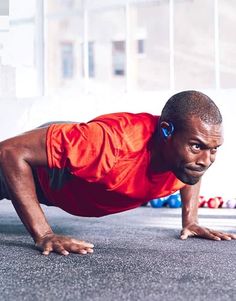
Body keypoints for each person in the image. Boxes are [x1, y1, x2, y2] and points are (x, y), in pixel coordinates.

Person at [0, 90, 235, 256]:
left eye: (214, 149)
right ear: (166, 132)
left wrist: (191, 221)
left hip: (81, 167)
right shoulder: (109, 144)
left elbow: (192, 172)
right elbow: (9, 151)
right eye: (197, 146)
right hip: (47, 173)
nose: (206, 161)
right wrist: (44, 234)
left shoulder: (185, 157)